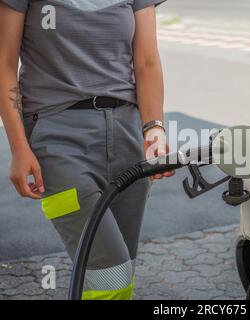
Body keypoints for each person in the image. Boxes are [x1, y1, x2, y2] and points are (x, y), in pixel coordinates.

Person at [0, 0, 174, 300]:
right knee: (111, 274)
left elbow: (146, 60)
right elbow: (4, 63)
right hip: (56, 141)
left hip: (127, 137)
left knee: (116, 271)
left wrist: (153, 129)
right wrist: (18, 147)